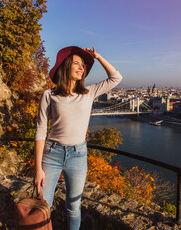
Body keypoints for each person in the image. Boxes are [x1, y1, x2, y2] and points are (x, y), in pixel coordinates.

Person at [34, 46, 122, 230]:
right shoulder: (49, 95)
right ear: (65, 66)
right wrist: (38, 169)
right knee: (43, 205)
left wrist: (97, 56)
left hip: (78, 155)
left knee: (73, 206)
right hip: (52, 154)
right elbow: (41, 132)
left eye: (83, 65)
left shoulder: (89, 93)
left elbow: (116, 78)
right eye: (76, 63)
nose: (81, 67)